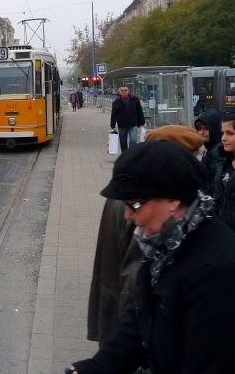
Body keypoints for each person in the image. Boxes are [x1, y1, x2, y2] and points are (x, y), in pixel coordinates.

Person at [68, 140, 235, 374]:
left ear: (173, 199)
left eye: (135, 204)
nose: (128, 215)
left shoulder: (219, 271)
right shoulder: (166, 244)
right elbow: (139, 324)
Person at [86, 125, 204, 345]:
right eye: (192, 158)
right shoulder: (145, 202)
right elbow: (136, 273)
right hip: (129, 316)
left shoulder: (128, 190)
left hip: (113, 298)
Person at [213, 114, 235, 240]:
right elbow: (217, 198)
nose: (223, 138)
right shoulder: (222, 162)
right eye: (223, 133)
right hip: (225, 235)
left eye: (230, 133)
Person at [194, 109, 224, 194]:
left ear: (215, 129)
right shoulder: (212, 147)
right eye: (199, 129)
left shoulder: (218, 151)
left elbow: (214, 183)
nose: (201, 132)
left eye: (205, 129)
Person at [109, 86, 145, 152]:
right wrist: (112, 125)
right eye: (122, 90)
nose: (124, 91)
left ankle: (131, 154)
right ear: (120, 92)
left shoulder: (135, 99)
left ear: (128, 91)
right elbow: (113, 114)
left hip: (133, 124)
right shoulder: (116, 102)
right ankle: (125, 155)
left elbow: (139, 111)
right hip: (122, 125)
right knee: (123, 142)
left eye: (125, 90)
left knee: (133, 140)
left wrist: (142, 122)